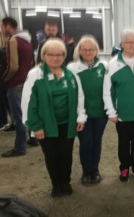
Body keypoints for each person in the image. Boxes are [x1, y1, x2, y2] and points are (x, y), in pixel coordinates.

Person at [21, 38, 86, 197]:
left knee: (66, 154)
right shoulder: (35, 75)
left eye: (59, 54)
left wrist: (80, 117)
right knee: (51, 155)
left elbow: (80, 96)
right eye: (50, 54)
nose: (55, 58)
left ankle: (66, 182)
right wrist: (35, 126)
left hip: (67, 123)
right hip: (46, 124)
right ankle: (56, 184)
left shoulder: (70, 75)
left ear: (64, 56)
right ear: (43, 55)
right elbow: (27, 102)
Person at [103, 29, 134, 183]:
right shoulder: (113, 65)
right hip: (122, 114)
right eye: (129, 42)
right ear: (122, 44)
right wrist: (111, 112)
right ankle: (124, 168)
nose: (132, 45)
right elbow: (107, 91)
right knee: (123, 142)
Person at [67, 35, 108, 185]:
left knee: (97, 141)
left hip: (100, 113)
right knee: (85, 142)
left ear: (96, 51)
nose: (88, 52)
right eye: (84, 49)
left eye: (91, 49)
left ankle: (94, 169)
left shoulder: (104, 66)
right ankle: (86, 169)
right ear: (79, 51)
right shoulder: (72, 68)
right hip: (81, 115)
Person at [1, 17, 35, 157]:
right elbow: (31, 62)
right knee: (28, 112)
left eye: (2, 26)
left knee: (18, 116)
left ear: (8, 26)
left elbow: (13, 66)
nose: (1, 29)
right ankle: (33, 138)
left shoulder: (13, 41)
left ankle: (20, 147)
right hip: (26, 80)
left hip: (16, 82)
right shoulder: (27, 41)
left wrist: (4, 78)